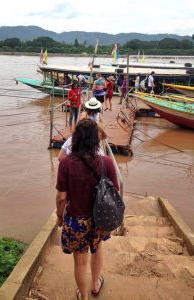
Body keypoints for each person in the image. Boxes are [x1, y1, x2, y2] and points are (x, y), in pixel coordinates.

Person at [56, 119, 119, 300]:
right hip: (99, 219)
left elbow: (61, 197)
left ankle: (83, 296)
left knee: (80, 261)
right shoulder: (106, 162)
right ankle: (95, 285)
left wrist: (60, 217)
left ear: (76, 139)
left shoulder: (66, 163)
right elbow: (114, 191)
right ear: (96, 139)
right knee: (97, 248)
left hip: (76, 221)